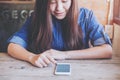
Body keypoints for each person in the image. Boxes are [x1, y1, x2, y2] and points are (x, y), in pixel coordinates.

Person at [7, 0, 112, 68]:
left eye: (64, 1)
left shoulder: (86, 16)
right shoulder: (36, 18)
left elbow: (107, 50)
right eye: (52, 2)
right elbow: (13, 46)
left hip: (80, 72)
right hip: (41, 72)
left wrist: (64, 55)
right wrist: (31, 57)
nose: (59, 8)